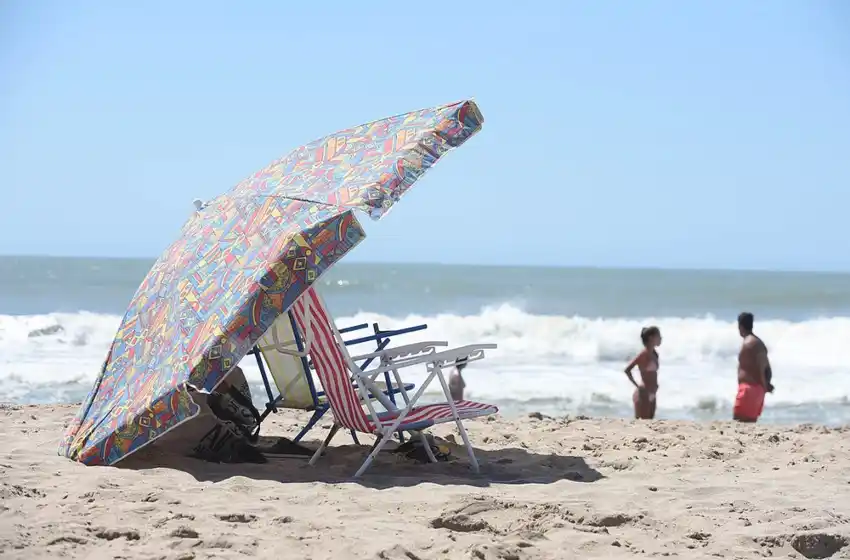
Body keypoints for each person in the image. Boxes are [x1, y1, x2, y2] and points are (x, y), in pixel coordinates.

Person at [734, 312, 773, 423]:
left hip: (749, 390)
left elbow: (762, 366)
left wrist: (765, 385)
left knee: (739, 424)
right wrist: (766, 385)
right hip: (754, 389)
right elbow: (767, 367)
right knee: (747, 425)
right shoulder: (757, 343)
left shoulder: (751, 343)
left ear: (740, 326)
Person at [624, 326, 662, 419]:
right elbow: (627, 370)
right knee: (642, 425)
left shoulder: (655, 354)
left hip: (653, 393)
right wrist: (637, 386)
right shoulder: (643, 354)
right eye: (658, 336)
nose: (661, 338)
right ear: (651, 338)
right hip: (643, 394)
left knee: (650, 424)